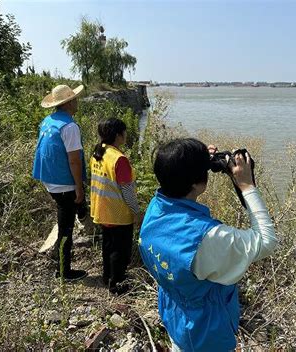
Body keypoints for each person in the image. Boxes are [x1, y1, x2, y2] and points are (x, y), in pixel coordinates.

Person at [138, 138, 280, 351]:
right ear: (197, 183)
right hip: (206, 333)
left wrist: (197, 155)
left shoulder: (156, 208)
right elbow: (267, 241)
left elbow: (175, 168)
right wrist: (247, 185)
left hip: (174, 313)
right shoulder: (205, 237)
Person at [33, 84, 88, 282]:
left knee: (65, 218)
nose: (77, 101)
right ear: (69, 102)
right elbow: (74, 161)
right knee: (66, 228)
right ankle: (63, 271)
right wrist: (79, 189)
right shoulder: (70, 127)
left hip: (50, 180)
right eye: (74, 98)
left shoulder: (48, 121)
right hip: (64, 185)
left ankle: (59, 253)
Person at [90, 118, 141, 295]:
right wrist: (136, 211)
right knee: (120, 250)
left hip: (101, 208)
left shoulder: (98, 152)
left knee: (108, 245)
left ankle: (107, 276)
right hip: (118, 212)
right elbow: (127, 191)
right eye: (124, 132)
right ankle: (117, 285)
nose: (125, 135)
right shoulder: (119, 159)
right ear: (118, 135)